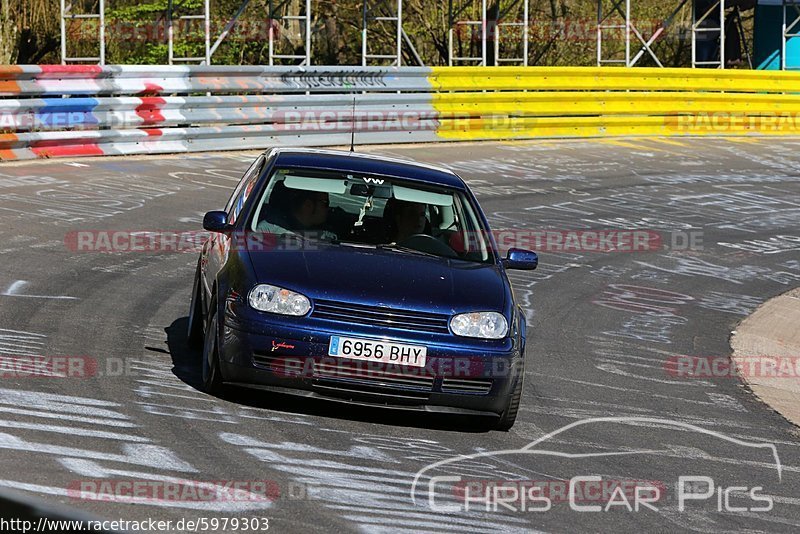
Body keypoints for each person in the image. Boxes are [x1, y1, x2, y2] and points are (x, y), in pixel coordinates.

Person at [257, 181, 333, 239]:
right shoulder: (270, 229)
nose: (328, 208)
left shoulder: (328, 227)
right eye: (325, 203)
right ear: (308, 205)